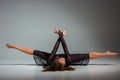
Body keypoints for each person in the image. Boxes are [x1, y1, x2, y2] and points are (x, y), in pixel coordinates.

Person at [6, 28, 119, 72]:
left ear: (56, 62)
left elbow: (55, 50)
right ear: (65, 64)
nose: (62, 59)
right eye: (63, 62)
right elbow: (65, 49)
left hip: (51, 56)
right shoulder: (68, 60)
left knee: (35, 52)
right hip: (69, 55)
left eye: (60, 61)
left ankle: (15, 46)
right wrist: (61, 35)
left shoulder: (51, 60)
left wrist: (60, 35)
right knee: (87, 55)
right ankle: (106, 53)